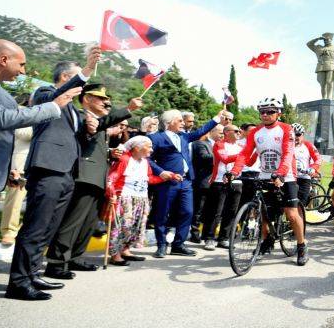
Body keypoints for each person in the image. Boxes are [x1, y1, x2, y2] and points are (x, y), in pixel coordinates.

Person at [6, 48, 101, 301]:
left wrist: (89, 129)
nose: (82, 87)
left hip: (67, 172)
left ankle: (32, 273)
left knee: (48, 227)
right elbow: (56, 97)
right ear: (65, 78)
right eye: (77, 80)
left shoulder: (71, 109)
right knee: (36, 228)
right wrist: (87, 70)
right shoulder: (45, 93)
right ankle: (18, 282)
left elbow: (74, 137)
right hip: (48, 169)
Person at [44, 84, 140, 279]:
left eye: (107, 99)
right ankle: (56, 263)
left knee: (87, 223)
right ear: (86, 98)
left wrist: (109, 152)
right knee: (72, 222)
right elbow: (89, 134)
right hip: (84, 177)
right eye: (101, 98)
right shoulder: (79, 116)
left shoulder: (97, 121)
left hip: (97, 178)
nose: (107, 102)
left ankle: (75, 257)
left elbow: (91, 146)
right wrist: (128, 110)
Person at [0, 39, 79, 221]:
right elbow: (0, 118)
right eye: (21, 64)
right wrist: (53, 106)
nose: (23, 71)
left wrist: (6, 168)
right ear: (3, 59)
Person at [228, 98, 309, 265]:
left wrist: (280, 174)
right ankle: (267, 241)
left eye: (270, 111)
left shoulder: (286, 129)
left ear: (279, 113)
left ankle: (301, 246)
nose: (265, 114)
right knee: (264, 213)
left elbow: (288, 153)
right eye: (262, 112)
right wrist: (234, 171)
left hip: (286, 177)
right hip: (265, 176)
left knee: (292, 214)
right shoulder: (256, 132)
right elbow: (244, 154)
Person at [148, 109, 228, 258]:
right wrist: (161, 172)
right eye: (179, 121)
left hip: (186, 181)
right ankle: (162, 245)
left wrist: (217, 118)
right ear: (169, 122)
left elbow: (201, 131)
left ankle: (178, 244)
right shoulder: (156, 138)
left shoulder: (184, 136)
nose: (182, 123)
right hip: (167, 182)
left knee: (187, 212)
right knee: (163, 213)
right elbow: (148, 159)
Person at [106, 136, 174, 265]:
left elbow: (149, 179)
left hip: (141, 199)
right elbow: (111, 179)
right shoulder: (124, 160)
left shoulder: (145, 162)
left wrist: (167, 177)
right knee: (122, 227)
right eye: (149, 146)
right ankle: (115, 255)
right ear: (137, 148)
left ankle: (125, 250)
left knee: (135, 227)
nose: (151, 150)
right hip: (125, 198)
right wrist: (112, 194)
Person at [201, 125, 243, 250]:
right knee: (215, 212)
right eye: (236, 131)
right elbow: (224, 159)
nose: (238, 132)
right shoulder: (219, 144)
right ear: (226, 132)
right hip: (220, 181)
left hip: (236, 182)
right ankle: (209, 238)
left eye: (239, 131)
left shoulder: (241, 147)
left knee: (231, 211)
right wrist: (242, 156)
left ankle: (224, 238)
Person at [0, 93, 33, 246]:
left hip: (37, 164)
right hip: (20, 165)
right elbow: (21, 133)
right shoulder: (22, 112)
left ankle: (24, 231)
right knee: (14, 200)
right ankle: (8, 231)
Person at [189, 124, 222, 243]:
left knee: (210, 210)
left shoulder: (220, 145)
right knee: (198, 209)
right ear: (211, 132)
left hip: (215, 182)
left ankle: (206, 234)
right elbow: (205, 157)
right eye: (220, 133)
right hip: (203, 182)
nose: (221, 135)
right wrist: (222, 155)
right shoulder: (200, 143)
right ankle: (195, 233)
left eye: (223, 133)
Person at [292, 123, 322, 206]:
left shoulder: (308, 145)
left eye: (298, 134)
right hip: (289, 178)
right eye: (293, 134)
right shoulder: (286, 145)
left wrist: (313, 168)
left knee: (301, 205)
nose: (295, 137)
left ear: (302, 135)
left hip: (303, 178)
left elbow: (318, 159)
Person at [306, 33, 334, 100]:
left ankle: (329, 98)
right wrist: (317, 39)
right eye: (324, 40)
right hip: (321, 66)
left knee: (329, 82)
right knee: (322, 84)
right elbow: (308, 44)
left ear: (331, 39)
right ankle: (324, 98)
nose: (326, 41)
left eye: (328, 39)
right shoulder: (318, 48)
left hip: (331, 66)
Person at [237, 123, 262, 207]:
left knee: (252, 198)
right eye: (251, 131)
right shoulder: (238, 143)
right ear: (244, 132)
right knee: (241, 197)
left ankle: (250, 216)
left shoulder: (260, 142)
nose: (254, 132)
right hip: (241, 173)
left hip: (256, 173)